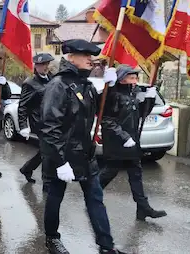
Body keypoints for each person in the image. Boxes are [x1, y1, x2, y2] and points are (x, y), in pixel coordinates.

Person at [40, 39, 126, 254]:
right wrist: (60, 162)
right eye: (85, 55)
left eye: (91, 55)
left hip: (86, 155)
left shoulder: (86, 85)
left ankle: (107, 247)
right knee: (55, 198)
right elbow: (50, 127)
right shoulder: (57, 86)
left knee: (96, 200)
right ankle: (52, 239)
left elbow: (104, 112)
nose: (91, 59)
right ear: (70, 57)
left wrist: (112, 88)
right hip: (62, 155)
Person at [99, 65, 167, 221]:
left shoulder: (132, 93)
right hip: (117, 143)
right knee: (110, 172)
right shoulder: (112, 95)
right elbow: (108, 120)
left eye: (136, 77)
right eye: (132, 77)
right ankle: (92, 196)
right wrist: (124, 137)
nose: (135, 81)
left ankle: (143, 208)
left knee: (136, 174)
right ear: (122, 78)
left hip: (132, 141)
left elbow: (141, 114)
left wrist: (149, 99)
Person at [17, 53, 55, 183]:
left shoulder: (52, 79)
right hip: (39, 122)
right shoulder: (30, 83)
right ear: (36, 66)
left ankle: (27, 168)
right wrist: (23, 126)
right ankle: (47, 183)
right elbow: (23, 105)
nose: (45, 67)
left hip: (52, 121)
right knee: (48, 152)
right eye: (41, 65)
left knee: (46, 150)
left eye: (46, 64)